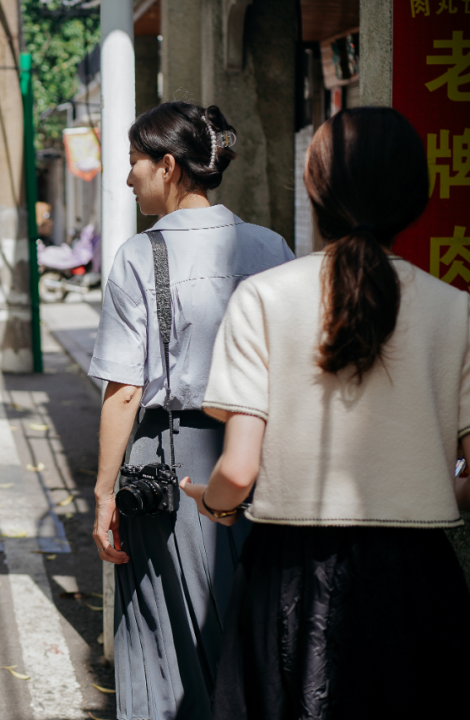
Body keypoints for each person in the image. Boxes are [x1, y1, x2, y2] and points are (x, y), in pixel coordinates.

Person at [182, 107, 470, 719]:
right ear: (415, 197)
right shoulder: (458, 312)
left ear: (314, 190)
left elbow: (237, 469)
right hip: (418, 581)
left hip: (289, 574)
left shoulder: (263, 297)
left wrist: (213, 501)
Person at [88, 101, 294, 720]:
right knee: (245, 618)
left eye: (134, 165)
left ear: (169, 166)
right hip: (262, 454)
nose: (129, 180)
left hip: (170, 460)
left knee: (160, 627)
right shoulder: (271, 246)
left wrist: (102, 495)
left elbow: (125, 390)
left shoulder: (137, 256)